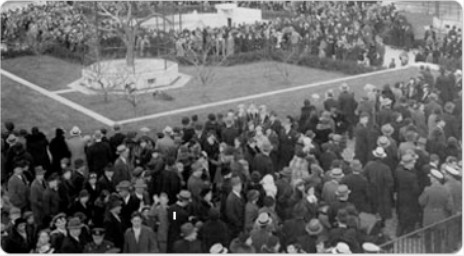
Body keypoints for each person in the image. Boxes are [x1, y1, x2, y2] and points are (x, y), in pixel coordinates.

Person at [364, 147, 394, 222]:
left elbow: (364, 176)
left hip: (371, 190)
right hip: (382, 192)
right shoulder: (386, 168)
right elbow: (390, 182)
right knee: (381, 208)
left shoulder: (368, 165)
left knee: (372, 207)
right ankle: (381, 223)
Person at [395, 153, 421, 236]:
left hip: (401, 196)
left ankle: (399, 232)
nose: (413, 164)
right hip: (411, 199)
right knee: (411, 216)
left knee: (402, 214)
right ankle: (410, 232)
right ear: (409, 164)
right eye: (412, 163)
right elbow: (416, 190)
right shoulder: (412, 176)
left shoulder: (398, 171)